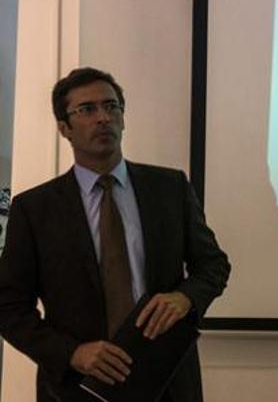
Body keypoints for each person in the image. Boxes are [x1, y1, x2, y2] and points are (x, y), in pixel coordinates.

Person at [0, 67, 231, 401]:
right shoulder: (34, 209)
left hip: (169, 382)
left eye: (112, 107)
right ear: (64, 128)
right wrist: (72, 353)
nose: (103, 118)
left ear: (123, 118)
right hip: (78, 386)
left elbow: (213, 265)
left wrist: (186, 298)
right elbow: (9, 307)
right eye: (87, 109)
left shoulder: (169, 188)